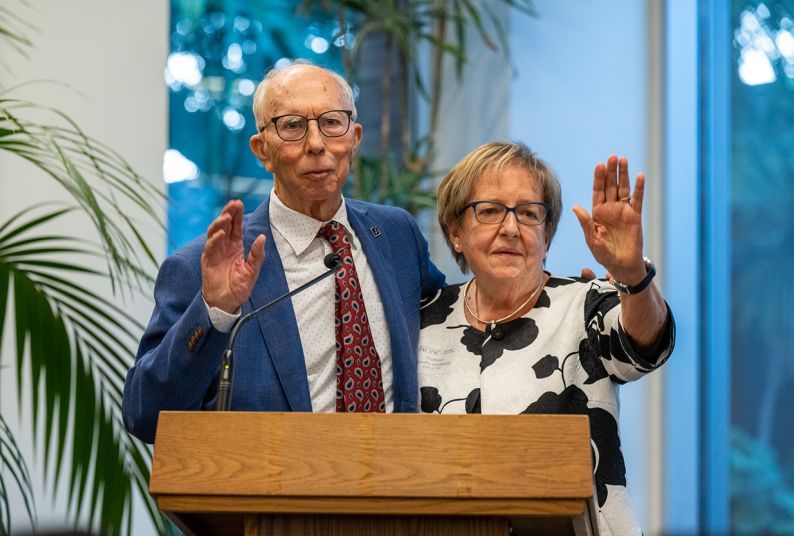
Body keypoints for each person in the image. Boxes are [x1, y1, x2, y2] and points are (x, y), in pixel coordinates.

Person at [122, 61, 445, 444]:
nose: (316, 143)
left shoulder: (395, 234)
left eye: (332, 122)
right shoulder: (198, 268)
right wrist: (215, 312)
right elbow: (145, 415)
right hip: (275, 495)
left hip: (397, 488)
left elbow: (452, 315)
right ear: (263, 150)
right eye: (292, 126)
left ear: (354, 137)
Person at [417, 142, 674, 536]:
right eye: (488, 211)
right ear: (456, 232)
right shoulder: (421, 319)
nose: (510, 228)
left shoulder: (588, 302)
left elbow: (644, 348)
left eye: (528, 213)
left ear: (547, 235)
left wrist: (633, 276)